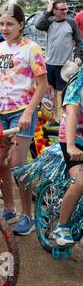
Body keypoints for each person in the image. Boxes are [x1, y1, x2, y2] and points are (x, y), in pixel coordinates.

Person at [0, 3, 48, 235]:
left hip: (21, 113)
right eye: (2, 23)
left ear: (21, 24)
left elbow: (42, 86)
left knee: (18, 165)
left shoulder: (32, 49)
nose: (5, 28)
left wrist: (27, 113)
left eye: (10, 24)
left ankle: (27, 215)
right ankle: (10, 209)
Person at [35, 0, 83, 122]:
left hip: (65, 66)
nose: (65, 11)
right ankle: (52, 118)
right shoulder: (49, 22)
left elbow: (79, 41)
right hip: (49, 64)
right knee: (50, 93)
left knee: (62, 94)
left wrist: (78, 56)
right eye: (62, 9)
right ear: (55, 11)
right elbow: (38, 24)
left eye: (66, 8)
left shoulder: (71, 23)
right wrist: (47, 11)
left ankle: (62, 120)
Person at [53, 65, 83, 246]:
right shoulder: (78, 82)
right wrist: (71, 145)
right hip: (73, 136)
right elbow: (71, 112)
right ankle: (61, 226)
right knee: (81, 181)